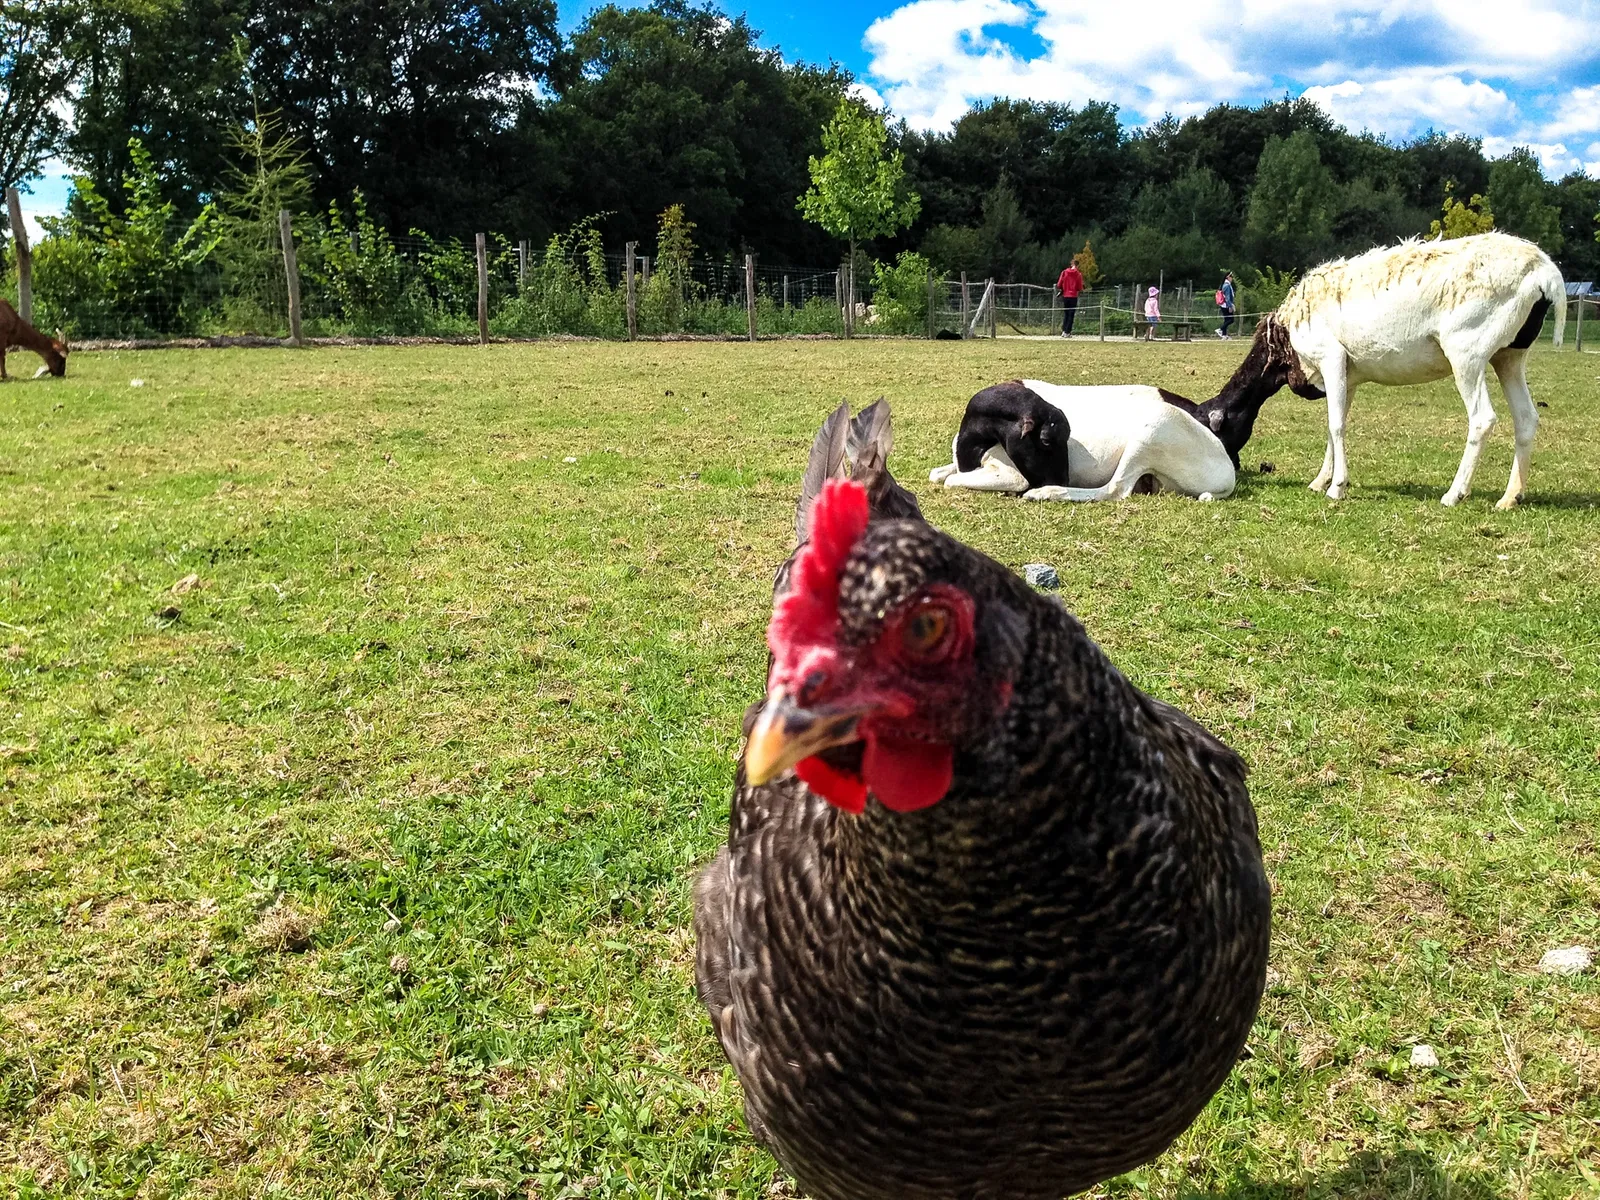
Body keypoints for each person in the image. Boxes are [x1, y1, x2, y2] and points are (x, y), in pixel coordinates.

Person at [1056, 260, 1084, 337]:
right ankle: (1068, 331)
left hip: (1066, 295)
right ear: (1077, 265)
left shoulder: (1064, 272)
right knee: (1071, 314)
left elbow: (1059, 284)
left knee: (1066, 313)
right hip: (1073, 296)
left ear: (1071, 264)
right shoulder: (1078, 274)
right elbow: (1079, 287)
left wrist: (1063, 288)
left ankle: (1064, 330)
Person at [1216, 272, 1237, 339]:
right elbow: (1227, 297)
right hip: (1226, 305)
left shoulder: (1224, 285)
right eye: (1231, 277)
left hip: (1223, 305)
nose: (1232, 278)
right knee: (1231, 320)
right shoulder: (1227, 286)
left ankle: (1224, 335)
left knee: (1226, 320)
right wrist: (1230, 306)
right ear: (1228, 277)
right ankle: (1220, 329)